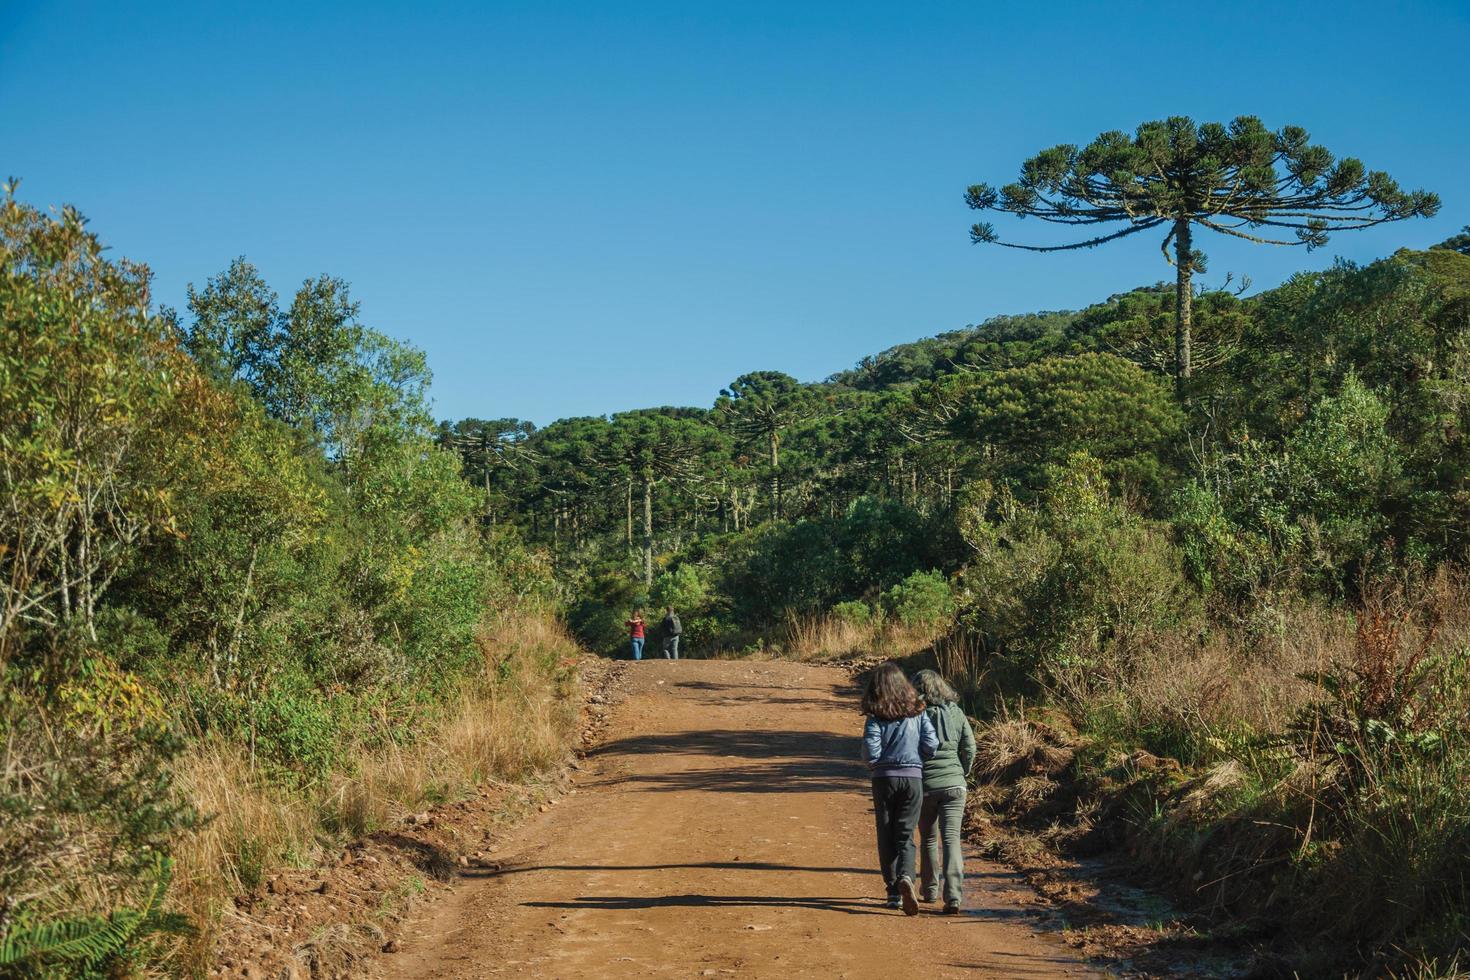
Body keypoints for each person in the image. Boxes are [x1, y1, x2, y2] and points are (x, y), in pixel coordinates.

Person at [861, 661, 938, 915]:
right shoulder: (918, 712)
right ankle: (906, 876)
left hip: (884, 779)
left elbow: (872, 754)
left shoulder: (876, 717)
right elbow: (931, 743)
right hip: (913, 777)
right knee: (905, 834)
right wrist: (918, 759)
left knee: (886, 834)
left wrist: (877, 764)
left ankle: (893, 891)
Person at [912, 669, 976, 915]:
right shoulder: (956, 712)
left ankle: (929, 890)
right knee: (951, 839)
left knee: (928, 838)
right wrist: (963, 772)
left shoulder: (915, 716)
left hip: (925, 785)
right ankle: (953, 897)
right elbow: (970, 747)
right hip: (955, 785)